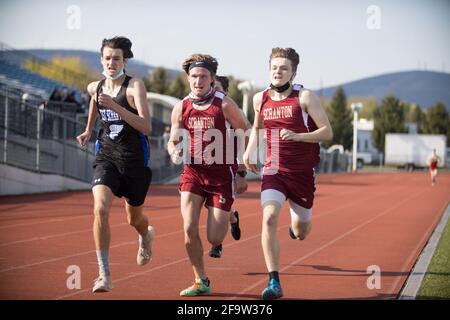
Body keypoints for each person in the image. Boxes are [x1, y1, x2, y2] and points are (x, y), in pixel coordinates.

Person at [243, 47, 333, 300]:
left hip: (302, 173)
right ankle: (274, 282)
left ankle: (298, 226)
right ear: (268, 69)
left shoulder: (305, 97)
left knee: (302, 230)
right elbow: (259, 127)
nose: (278, 72)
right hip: (273, 169)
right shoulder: (260, 98)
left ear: (293, 72)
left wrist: (298, 136)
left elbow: (327, 132)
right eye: (274, 67)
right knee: (269, 218)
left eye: (284, 68)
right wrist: (249, 151)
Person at [76, 36, 154, 293]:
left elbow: (146, 127)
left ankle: (145, 235)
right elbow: (94, 100)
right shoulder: (95, 87)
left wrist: (117, 108)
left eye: (116, 58)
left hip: (133, 161)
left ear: (125, 61)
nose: (111, 62)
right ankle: (104, 275)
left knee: (135, 219)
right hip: (106, 156)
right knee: (100, 208)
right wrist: (88, 129)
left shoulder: (134, 87)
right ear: (101, 60)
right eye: (107, 58)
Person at [167, 54, 247, 296]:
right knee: (189, 227)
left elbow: (245, 130)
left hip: (222, 175)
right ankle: (201, 280)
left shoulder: (224, 104)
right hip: (193, 173)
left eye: (203, 76)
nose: (198, 81)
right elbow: (173, 139)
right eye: (193, 76)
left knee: (214, 238)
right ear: (188, 78)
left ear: (212, 78)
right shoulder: (181, 107)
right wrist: (173, 151)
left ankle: (231, 216)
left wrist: (242, 170)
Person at [207, 76, 252, 258]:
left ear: (225, 91)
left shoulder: (233, 111)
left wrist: (242, 170)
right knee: (210, 204)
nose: (213, 91)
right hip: (203, 165)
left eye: (217, 88)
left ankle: (216, 244)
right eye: (211, 87)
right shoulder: (201, 106)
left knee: (216, 205)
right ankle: (232, 217)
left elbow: (247, 135)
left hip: (228, 164)